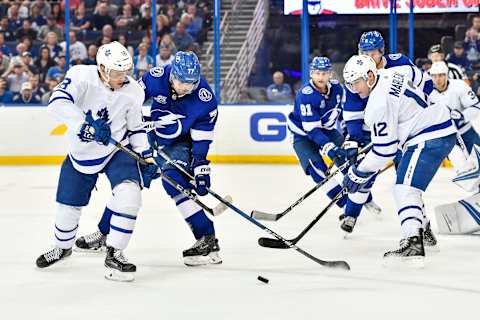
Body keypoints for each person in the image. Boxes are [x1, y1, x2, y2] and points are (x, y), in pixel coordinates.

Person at [76, 51, 223, 266]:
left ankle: (207, 239)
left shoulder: (205, 100)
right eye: (181, 82)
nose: (185, 87)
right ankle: (104, 233)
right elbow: (128, 99)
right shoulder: (156, 77)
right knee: (127, 181)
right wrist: (123, 125)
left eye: (190, 84)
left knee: (174, 183)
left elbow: (202, 136)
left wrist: (200, 164)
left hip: (182, 143)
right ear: (172, 74)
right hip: (150, 136)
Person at [35, 41, 160, 281]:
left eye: (125, 71)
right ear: (102, 68)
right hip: (82, 152)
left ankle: (115, 251)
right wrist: (86, 126)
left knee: (130, 194)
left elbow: (136, 128)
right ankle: (62, 247)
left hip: (117, 150)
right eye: (116, 72)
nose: (122, 77)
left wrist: (147, 156)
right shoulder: (81, 76)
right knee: (67, 207)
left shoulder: (133, 90)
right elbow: (57, 103)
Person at [342, 55, 456, 264]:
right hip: (438, 127)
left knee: (404, 189)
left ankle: (413, 241)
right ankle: (424, 233)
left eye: (356, 83)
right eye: (350, 84)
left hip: (429, 136)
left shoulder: (377, 105)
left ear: (369, 76)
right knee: (406, 186)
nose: (354, 89)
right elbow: (424, 80)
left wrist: (358, 172)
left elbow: (385, 151)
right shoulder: (394, 72)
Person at [341, 30, 432, 233]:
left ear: (382, 52)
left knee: (406, 181)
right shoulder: (355, 70)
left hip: (403, 129)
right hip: (371, 127)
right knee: (365, 171)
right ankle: (350, 214)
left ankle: (423, 227)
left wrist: (419, 110)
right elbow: (353, 116)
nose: (368, 56)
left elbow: (425, 83)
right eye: (364, 52)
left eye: (372, 52)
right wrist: (354, 140)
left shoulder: (399, 62)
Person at [287, 57, 347, 209]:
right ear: (311, 74)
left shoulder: (338, 89)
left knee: (349, 161)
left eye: (324, 73)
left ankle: (363, 200)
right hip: (303, 135)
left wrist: (350, 134)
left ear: (330, 74)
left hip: (327, 130)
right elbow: (312, 130)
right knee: (317, 171)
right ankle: (345, 206)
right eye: (317, 73)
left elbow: (344, 113)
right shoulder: (305, 95)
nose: (321, 77)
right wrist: (329, 148)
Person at [428, 61, 480, 184]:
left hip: (467, 133)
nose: (438, 79)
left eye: (441, 75)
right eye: (434, 76)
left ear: (446, 75)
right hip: (447, 138)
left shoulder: (459, 86)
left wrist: (462, 116)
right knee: (463, 170)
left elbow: (476, 106)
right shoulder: (428, 92)